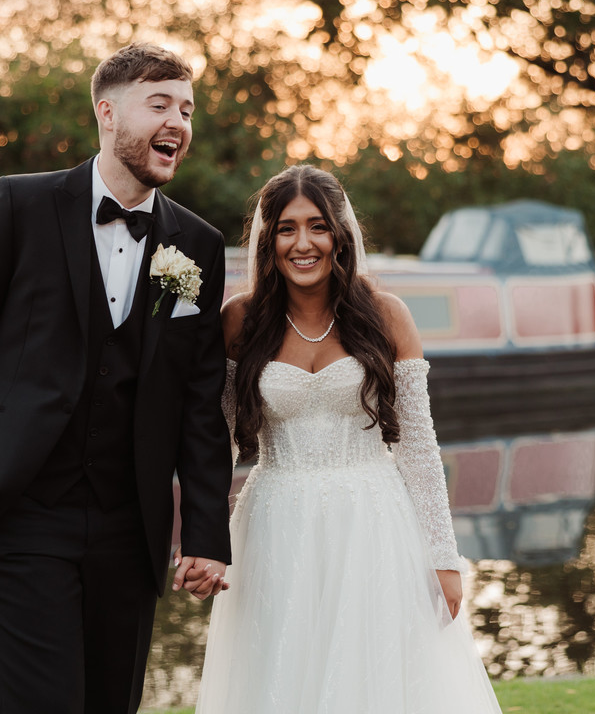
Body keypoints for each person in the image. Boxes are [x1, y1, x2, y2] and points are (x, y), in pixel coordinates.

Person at [0, 42, 233, 714]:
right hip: (18, 513)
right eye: (160, 104)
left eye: (187, 108)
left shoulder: (196, 246)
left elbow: (198, 403)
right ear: (107, 112)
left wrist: (206, 533)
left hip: (131, 526)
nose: (178, 121)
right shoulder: (22, 206)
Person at [194, 165, 501, 712]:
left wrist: (443, 556)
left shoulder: (386, 317)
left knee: (375, 680)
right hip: (274, 524)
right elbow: (213, 442)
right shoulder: (240, 320)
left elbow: (418, 447)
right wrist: (205, 539)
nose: (303, 243)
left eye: (317, 226)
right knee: (281, 678)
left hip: (374, 523)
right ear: (268, 240)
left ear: (340, 233)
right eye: (286, 229)